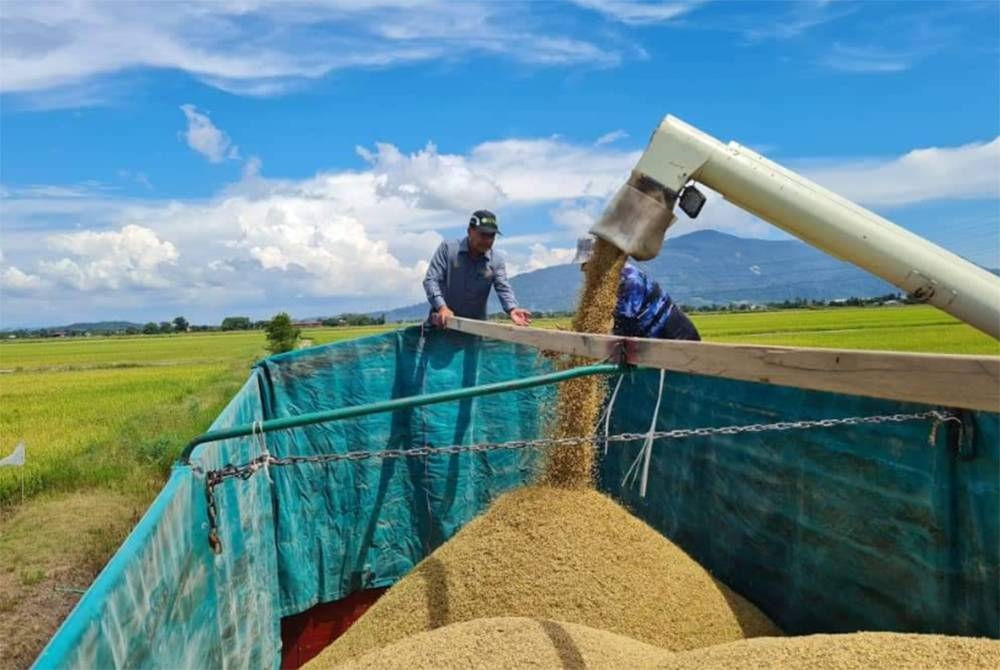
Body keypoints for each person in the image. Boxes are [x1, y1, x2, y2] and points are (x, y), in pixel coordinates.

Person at [575, 236, 700, 341]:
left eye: (586, 264)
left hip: (674, 333)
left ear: (600, 260)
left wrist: (602, 343)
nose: (583, 269)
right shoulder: (602, 286)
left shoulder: (629, 279)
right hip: (650, 338)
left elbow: (625, 322)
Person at [423, 210, 532, 328]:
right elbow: (431, 280)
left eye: (492, 236)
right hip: (442, 327)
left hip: (474, 330)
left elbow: (503, 287)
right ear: (470, 231)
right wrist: (442, 307)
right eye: (483, 235)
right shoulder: (448, 249)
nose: (488, 240)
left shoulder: (496, 261)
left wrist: (512, 309)